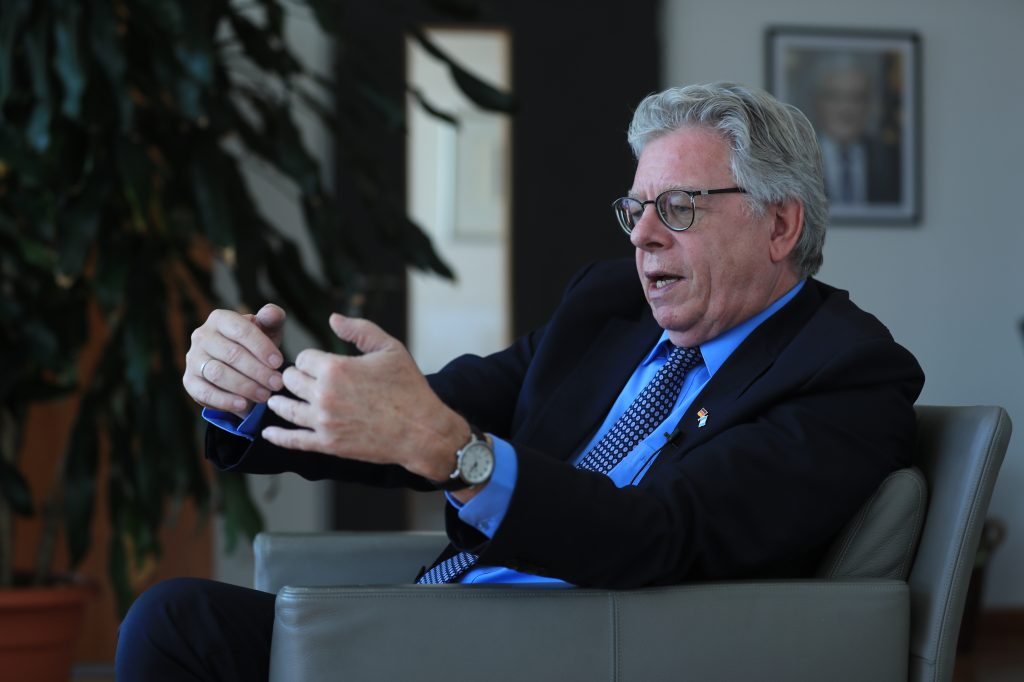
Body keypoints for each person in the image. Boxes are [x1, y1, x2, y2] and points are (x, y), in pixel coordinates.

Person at [116, 82, 924, 680]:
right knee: (179, 621)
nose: (642, 236)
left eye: (679, 207)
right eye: (636, 208)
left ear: (780, 223)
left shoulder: (846, 373)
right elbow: (419, 413)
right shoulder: (608, 308)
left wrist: (458, 455)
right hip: (449, 614)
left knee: (176, 624)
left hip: (569, 650)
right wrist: (250, 392)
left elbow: (664, 534)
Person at [811, 56, 902, 205]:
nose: (846, 108)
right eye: (835, 97)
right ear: (817, 102)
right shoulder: (798, 158)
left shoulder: (891, 159)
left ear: (869, 105)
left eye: (856, 98)